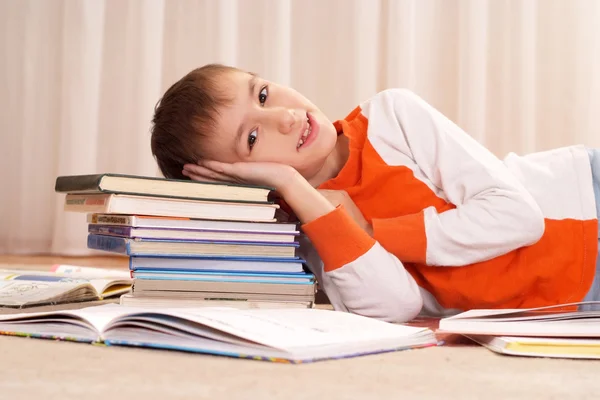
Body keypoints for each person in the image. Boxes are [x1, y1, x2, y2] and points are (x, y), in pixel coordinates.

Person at [150, 63, 600, 322]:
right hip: (577, 303)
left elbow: (519, 217)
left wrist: (371, 227)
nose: (285, 118)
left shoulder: (391, 116)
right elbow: (397, 307)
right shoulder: (313, 229)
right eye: (251, 139)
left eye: (264, 94)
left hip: (585, 201)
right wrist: (296, 191)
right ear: (239, 180)